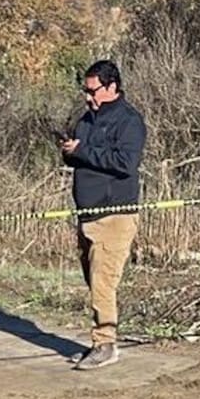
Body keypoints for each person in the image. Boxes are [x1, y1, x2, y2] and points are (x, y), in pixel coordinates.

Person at [60, 59, 147, 370]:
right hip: (87, 214)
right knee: (93, 280)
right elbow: (82, 157)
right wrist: (70, 152)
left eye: (93, 90)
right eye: (85, 91)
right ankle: (99, 341)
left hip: (114, 215)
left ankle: (105, 344)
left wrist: (83, 151)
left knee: (103, 282)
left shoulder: (129, 121)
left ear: (112, 87)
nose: (88, 97)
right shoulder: (86, 120)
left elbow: (125, 163)